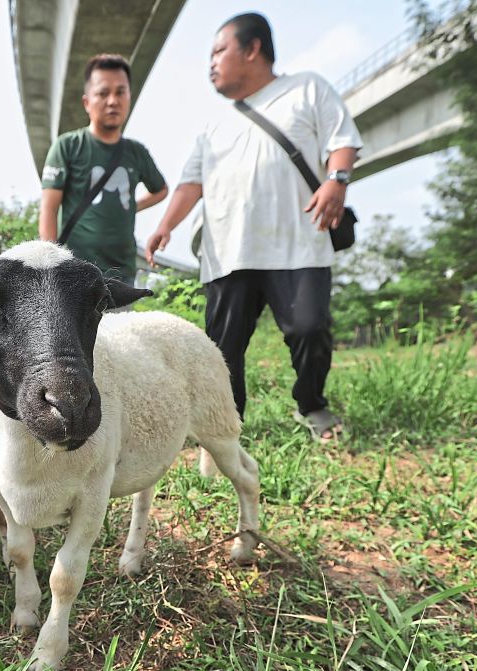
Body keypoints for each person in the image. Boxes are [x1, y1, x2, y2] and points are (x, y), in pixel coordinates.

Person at [145, 13, 362, 441]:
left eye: (218, 51)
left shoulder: (307, 89)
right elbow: (192, 183)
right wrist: (165, 224)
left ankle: (311, 405)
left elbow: (343, 141)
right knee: (222, 347)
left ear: (252, 49)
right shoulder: (213, 125)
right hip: (229, 250)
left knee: (310, 328)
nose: (211, 63)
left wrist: (337, 182)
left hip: (298, 245)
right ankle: (225, 423)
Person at [40, 54, 168, 285]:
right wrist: (50, 266)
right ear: (87, 102)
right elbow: (49, 209)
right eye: (102, 93)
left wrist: (130, 207)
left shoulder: (136, 152)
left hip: (122, 276)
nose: (113, 101)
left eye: (121, 92)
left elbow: (160, 190)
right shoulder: (67, 146)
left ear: (130, 97)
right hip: (73, 274)